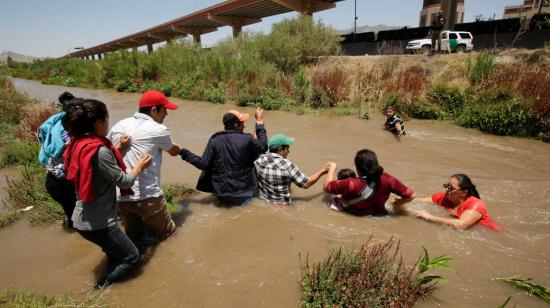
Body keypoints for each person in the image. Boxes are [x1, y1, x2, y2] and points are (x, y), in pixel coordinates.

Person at [63, 99, 152, 289]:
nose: (108, 123)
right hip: (100, 223)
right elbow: (125, 181)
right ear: (98, 123)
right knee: (132, 257)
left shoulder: (79, 144)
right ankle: (101, 287)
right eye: (107, 119)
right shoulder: (100, 151)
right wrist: (139, 167)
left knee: (114, 253)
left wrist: (118, 147)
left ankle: (108, 272)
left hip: (81, 218)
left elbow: (97, 165)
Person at [108, 90, 180, 245]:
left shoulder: (119, 125)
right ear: (154, 110)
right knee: (168, 235)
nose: (166, 114)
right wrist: (179, 149)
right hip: (148, 196)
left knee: (134, 237)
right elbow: (173, 151)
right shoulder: (158, 129)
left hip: (121, 196)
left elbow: (107, 152)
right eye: (164, 110)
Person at [179, 108, 267, 206]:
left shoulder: (215, 140)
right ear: (236, 125)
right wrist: (259, 121)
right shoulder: (247, 139)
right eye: (242, 123)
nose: (244, 126)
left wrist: (183, 152)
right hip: (242, 194)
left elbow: (203, 164)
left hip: (220, 193)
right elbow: (263, 147)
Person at [323, 149, 414, 216]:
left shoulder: (350, 184)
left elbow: (326, 187)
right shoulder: (389, 179)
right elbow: (410, 195)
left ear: (358, 170)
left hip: (354, 217)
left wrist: (332, 168)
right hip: (381, 216)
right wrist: (397, 204)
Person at [38, 92, 78, 228]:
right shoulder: (70, 137)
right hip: (65, 183)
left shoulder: (55, 128)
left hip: (53, 181)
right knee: (78, 217)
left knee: (73, 214)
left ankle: (70, 225)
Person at [254, 133, 330, 205]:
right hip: (283, 206)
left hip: (264, 202)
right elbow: (306, 184)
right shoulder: (288, 165)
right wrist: (323, 171)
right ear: (280, 150)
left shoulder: (260, 160)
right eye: (287, 148)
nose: (289, 151)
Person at [406, 174, 501, 231]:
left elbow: (462, 225)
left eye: (451, 188)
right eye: (447, 185)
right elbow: (419, 200)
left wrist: (430, 217)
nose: (447, 189)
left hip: (491, 233)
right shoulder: (443, 197)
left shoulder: (476, 204)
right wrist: (404, 199)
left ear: (464, 192)